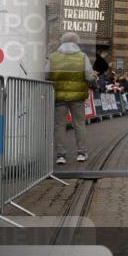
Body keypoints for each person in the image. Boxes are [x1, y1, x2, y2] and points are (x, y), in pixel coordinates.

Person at [45, 32, 95, 164]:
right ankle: (81, 153)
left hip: (59, 97)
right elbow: (89, 76)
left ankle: (60, 155)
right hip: (77, 97)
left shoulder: (53, 57)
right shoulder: (82, 57)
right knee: (79, 125)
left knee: (59, 126)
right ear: (76, 42)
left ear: (62, 42)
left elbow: (46, 75)